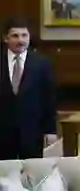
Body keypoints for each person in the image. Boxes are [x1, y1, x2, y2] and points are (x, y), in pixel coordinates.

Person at [0, 17, 57, 160]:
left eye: (24, 35)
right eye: (15, 36)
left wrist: (50, 131)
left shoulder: (42, 63)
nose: (20, 40)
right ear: (5, 38)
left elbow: (49, 98)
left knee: (32, 170)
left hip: (32, 132)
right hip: (2, 132)